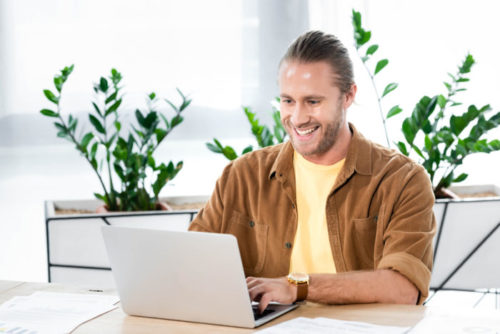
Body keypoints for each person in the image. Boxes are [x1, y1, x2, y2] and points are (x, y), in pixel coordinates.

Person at [189, 30, 436, 313]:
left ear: (348, 96)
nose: (297, 118)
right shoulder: (241, 176)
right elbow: (192, 263)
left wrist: (297, 286)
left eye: (313, 102)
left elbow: (404, 288)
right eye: (288, 101)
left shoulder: (403, 180)